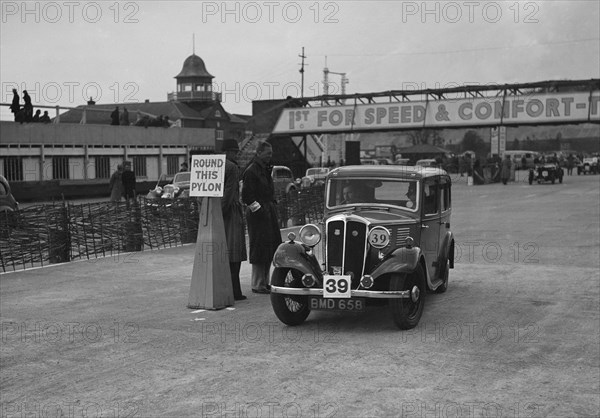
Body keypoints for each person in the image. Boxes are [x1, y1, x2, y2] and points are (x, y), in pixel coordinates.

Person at [241, 141, 281, 294]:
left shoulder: (263, 169)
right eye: (268, 153)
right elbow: (247, 196)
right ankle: (258, 283)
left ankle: (265, 282)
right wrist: (260, 211)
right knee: (259, 248)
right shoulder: (252, 171)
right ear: (259, 153)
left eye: (271, 153)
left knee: (269, 246)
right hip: (259, 215)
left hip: (267, 211)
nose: (270, 156)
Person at [222, 139, 248, 301]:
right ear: (230, 152)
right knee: (234, 251)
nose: (237, 154)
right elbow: (230, 194)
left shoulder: (213, 165)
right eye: (235, 151)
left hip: (213, 214)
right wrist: (223, 211)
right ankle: (235, 290)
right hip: (230, 213)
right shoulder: (232, 167)